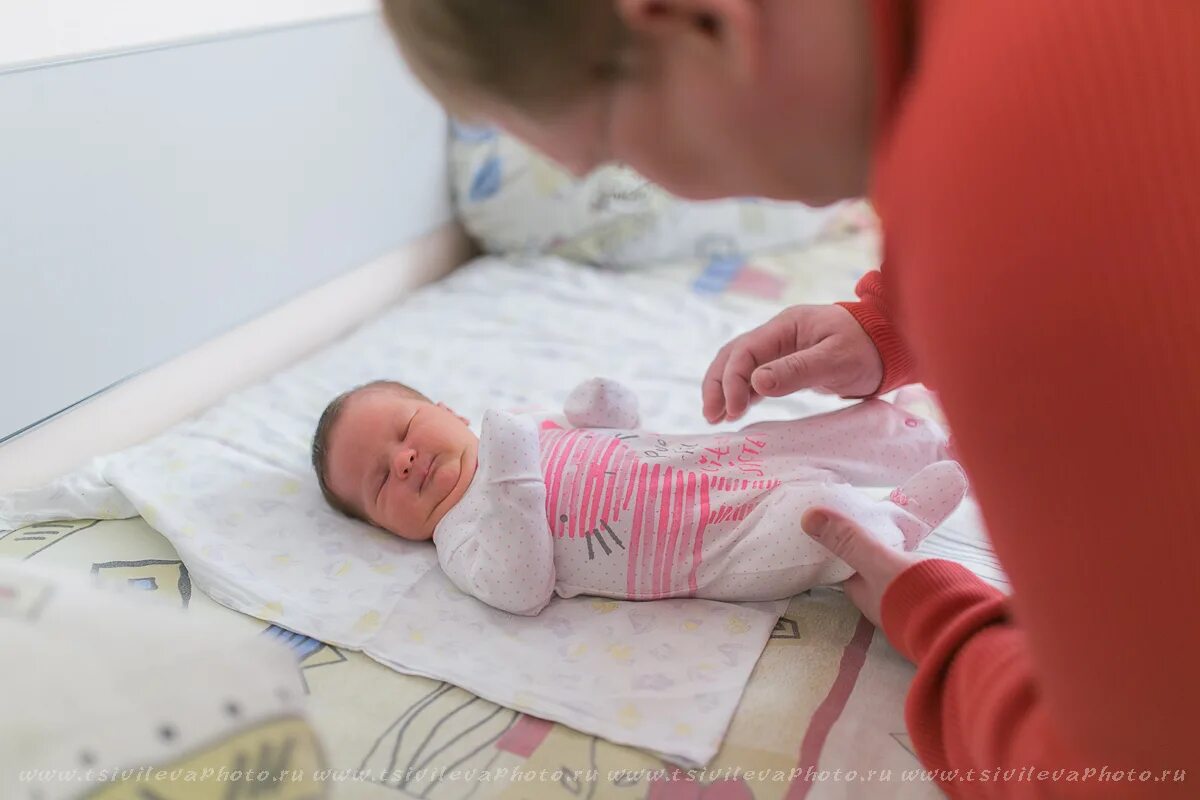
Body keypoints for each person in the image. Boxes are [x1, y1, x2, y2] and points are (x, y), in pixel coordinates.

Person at [378, 1, 1200, 795]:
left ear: (700, 23)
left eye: (618, 159)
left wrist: (938, 623)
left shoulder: (999, 220)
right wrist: (890, 323)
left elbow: (1128, 773)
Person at [311, 377, 964, 614]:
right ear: (386, 528)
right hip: (703, 541)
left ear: (447, 410)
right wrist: (511, 472)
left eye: (403, 431)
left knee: (804, 438)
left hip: (701, 459)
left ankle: (924, 435)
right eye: (378, 483)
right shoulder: (459, 538)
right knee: (808, 524)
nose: (403, 461)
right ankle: (891, 523)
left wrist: (602, 408)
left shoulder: (521, 423)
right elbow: (521, 586)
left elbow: (610, 434)